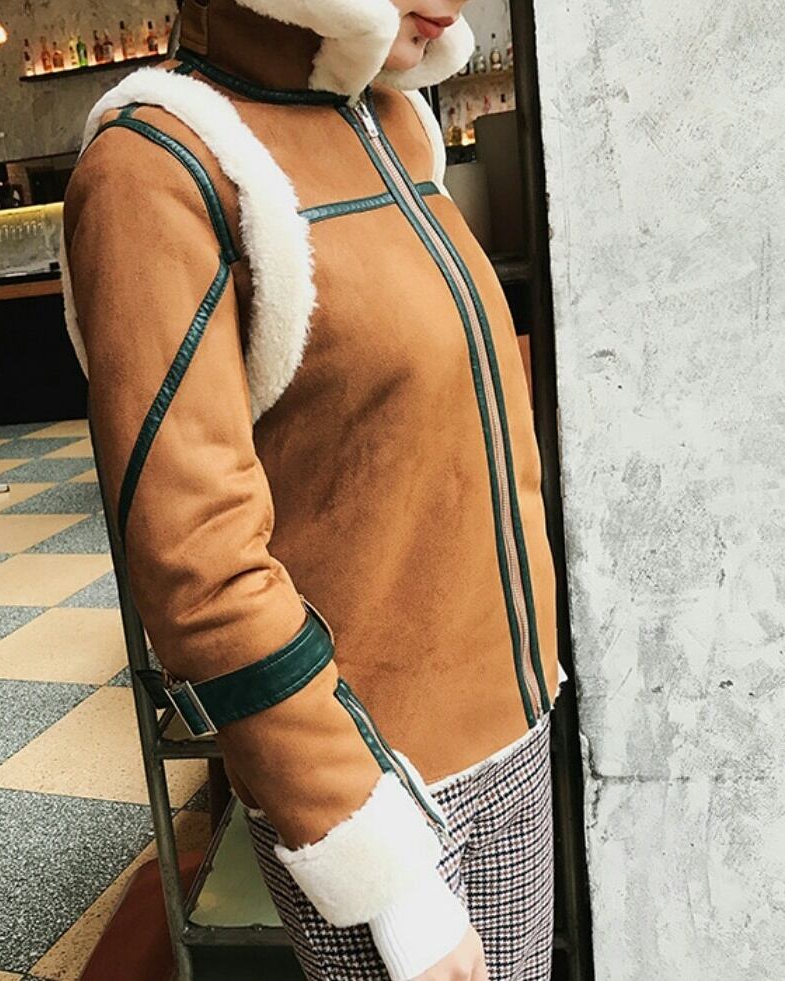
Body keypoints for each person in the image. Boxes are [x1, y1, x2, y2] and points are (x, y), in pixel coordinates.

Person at [62, 1, 570, 978]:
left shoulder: (392, 122)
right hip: (383, 790)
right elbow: (197, 563)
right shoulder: (158, 163)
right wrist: (389, 882)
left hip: (511, 724)